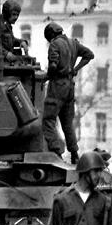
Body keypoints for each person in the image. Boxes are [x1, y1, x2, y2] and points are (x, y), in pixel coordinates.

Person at [41, 22, 95, 164]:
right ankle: (74, 154)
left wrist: (47, 76)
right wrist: (75, 69)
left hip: (58, 86)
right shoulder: (73, 43)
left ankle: (56, 152)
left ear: (51, 35)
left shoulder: (55, 45)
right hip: (70, 86)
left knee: (48, 120)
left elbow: (53, 66)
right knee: (67, 122)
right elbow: (89, 55)